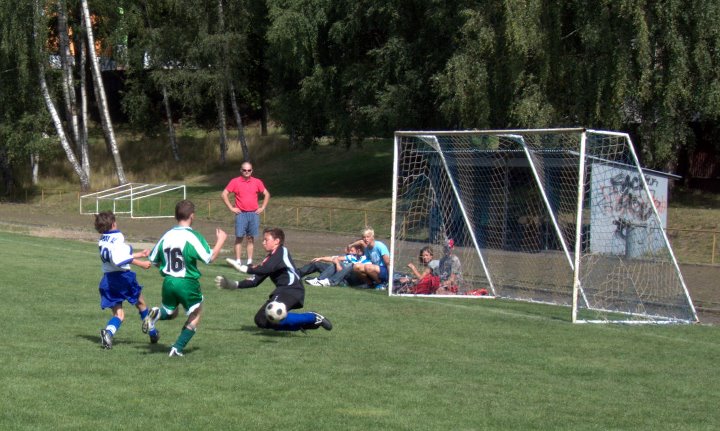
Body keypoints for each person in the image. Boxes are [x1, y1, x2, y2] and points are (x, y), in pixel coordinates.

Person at [143, 200, 227, 357]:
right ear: (192, 216)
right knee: (196, 313)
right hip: (187, 281)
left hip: (168, 282)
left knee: (171, 313)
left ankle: (156, 313)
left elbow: (153, 260)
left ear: (176, 216)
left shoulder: (166, 235)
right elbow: (209, 257)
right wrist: (221, 240)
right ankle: (177, 348)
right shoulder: (192, 236)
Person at [214, 227, 332, 332]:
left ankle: (312, 317)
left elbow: (266, 268)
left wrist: (244, 268)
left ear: (277, 241)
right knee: (261, 320)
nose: (263, 242)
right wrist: (234, 284)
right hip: (283, 291)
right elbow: (255, 280)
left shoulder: (282, 251)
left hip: (292, 290)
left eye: (266, 240)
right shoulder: (270, 258)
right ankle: (301, 324)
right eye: (263, 240)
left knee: (274, 312)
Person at [94, 211, 157, 349]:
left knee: (119, 314)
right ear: (113, 223)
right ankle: (153, 332)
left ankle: (108, 333)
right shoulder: (117, 236)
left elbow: (118, 254)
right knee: (141, 304)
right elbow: (120, 259)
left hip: (108, 280)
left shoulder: (103, 239)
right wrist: (142, 263)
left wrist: (139, 254)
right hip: (123, 278)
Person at [221, 161, 270, 271]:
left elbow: (267, 194)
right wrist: (231, 207)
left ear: (252, 171)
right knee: (239, 237)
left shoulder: (257, 182)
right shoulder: (235, 181)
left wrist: (262, 207)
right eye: (244, 170)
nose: (247, 172)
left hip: (253, 214)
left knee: (250, 238)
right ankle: (238, 261)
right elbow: (224, 194)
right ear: (241, 170)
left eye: (249, 170)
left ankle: (249, 261)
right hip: (241, 214)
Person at [305, 244, 370, 287]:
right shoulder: (352, 257)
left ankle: (330, 281)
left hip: (356, 279)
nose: (359, 250)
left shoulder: (366, 259)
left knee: (351, 265)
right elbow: (335, 258)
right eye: (358, 248)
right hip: (343, 276)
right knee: (336, 263)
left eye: (360, 248)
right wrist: (337, 264)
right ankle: (319, 280)